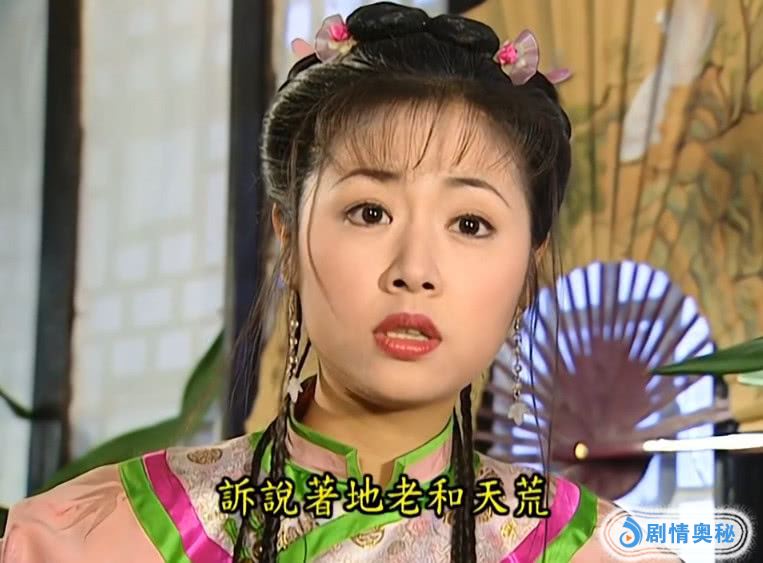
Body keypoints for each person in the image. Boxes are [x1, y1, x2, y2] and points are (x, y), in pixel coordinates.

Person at [0, 3, 661, 561]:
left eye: (470, 223)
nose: (414, 270)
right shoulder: (94, 537)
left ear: (526, 269)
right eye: (369, 212)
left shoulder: (592, 549)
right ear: (287, 237)